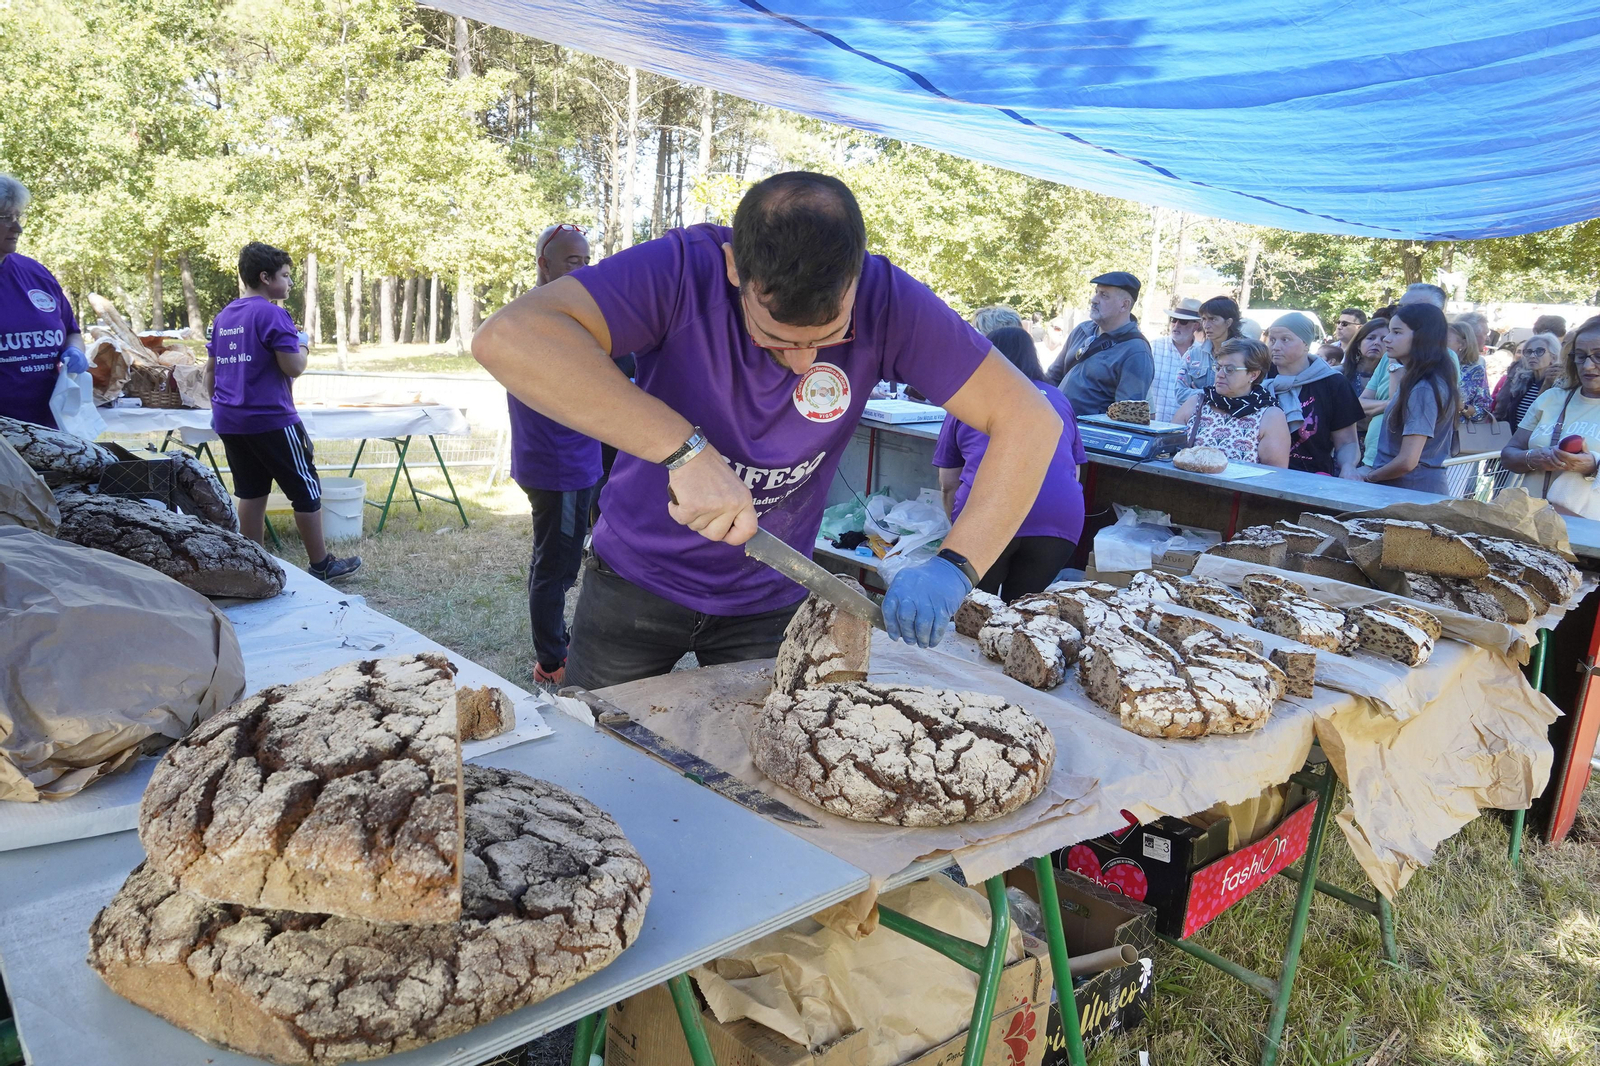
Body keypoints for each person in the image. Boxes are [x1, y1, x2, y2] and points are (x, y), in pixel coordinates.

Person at [473, 171, 1059, 686]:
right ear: (736, 267)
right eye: (777, 338)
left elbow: (1029, 421)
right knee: (596, 752)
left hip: (771, 596)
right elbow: (510, 337)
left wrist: (956, 566)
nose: (804, 362)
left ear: (855, 277)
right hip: (634, 581)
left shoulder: (888, 299)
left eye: (825, 340)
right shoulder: (684, 268)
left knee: (768, 774)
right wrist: (687, 453)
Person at [206, 242, 361, 580]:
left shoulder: (224, 316)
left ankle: (253, 566)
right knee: (306, 489)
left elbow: (211, 371)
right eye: (286, 276)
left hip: (231, 422)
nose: (290, 283)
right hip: (271, 419)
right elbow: (293, 367)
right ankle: (322, 565)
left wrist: (221, 408)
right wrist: (302, 344)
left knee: (251, 490)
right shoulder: (272, 313)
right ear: (265, 277)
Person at [508, 223, 604, 684]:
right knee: (557, 567)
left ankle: (557, 644)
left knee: (556, 558)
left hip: (575, 459)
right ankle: (552, 661)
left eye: (587, 261)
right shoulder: (537, 318)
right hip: (559, 465)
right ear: (543, 264)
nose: (582, 269)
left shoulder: (565, 311)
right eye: (573, 261)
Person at [934, 327, 1085, 599]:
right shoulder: (1059, 399)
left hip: (989, 515)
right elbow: (1074, 473)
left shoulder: (967, 398)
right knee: (1022, 613)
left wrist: (960, 530)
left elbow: (948, 483)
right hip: (1059, 522)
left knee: (975, 610)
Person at [0, 174, 87, 428]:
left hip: (51, 430)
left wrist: (75, 351)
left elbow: (72, 331)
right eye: (6, 219)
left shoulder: (36, 274)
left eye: (18, 217)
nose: (18, 228)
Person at [1350, 303, 1460, 494]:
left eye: (1397, 332)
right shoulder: (1418, 381)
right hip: (1405, 490)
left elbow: (1407, 461)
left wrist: (1368, 477)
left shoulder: (1423, 388)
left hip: (1411, 493)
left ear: (1422, 337)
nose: (1387, 339)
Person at [1500, 316, 1600, 518]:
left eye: (1599, 355)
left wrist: (1593, 465)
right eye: (1580, 356)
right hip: (1530, 524)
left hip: (1587, 535)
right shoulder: (1551, 398)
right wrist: (1533, 458)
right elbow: (1509, 454)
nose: (1587, 366)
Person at [1265, 312, 1362, 475]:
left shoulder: (1333, 383)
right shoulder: (1259, 377)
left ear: (1305, 344)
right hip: (1262, 475)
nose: (1276, 347)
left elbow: (1347, 442)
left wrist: (1348, 467)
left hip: (1312, 479)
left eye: (1285, 339)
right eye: (1272, 340)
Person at [1043, 272, 1152, 416]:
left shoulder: (1136, 351)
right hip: (1057, 426)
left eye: (1104, 295)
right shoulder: (1082, 331)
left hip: (1088, 435)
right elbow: (1052, 377)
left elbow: (1125, 418)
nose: (1094, 300)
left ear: (1124, 305)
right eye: (1096, 293)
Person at [1172, 338, 1290, 467]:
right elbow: (1168, 453)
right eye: (1218, 367)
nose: (1220, 374)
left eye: (1230, 369)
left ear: (1253, 375)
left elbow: (1274, 475)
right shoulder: (1196, 403)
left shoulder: (1270, 416)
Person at [1177, 295, 1244, 403]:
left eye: (1213, 319)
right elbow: (1180, 394)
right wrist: (1211, 394)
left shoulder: (1247, 353)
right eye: (1204, 319)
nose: (1206, 325)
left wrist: (1200, 394)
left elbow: (1247, 394)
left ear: (1228, 322)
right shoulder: (1193, 354)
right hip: (1198, 417)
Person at [1491, 332, 1562, 429]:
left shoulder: (1559, 385)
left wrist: (1547, 384)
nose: (1532, 356)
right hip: (1515, 438)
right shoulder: (1523, 381)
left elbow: (1540, 413)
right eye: (1528, 352)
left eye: (1539, 351)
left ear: (1553, 357)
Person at [1148, 298, 1202, 423]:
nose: (1176, 325)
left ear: (1195, 326)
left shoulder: (1203, 355)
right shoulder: (1153, 347)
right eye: (1173, 320)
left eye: (1183, 321)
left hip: (1186, 430)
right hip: (1154, 426)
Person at [1342, 317, 1388, 435]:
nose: (1377, 342)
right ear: (1358, 344)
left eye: (1384, 339)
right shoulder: (1339, 374)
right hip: (1344, 441)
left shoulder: (1391, 378)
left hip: (1377, 441)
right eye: (1371, 338)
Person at [1449, 318, 1493, 423]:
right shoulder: (1433, 366)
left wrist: (1462, 406)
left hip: (1459, 433)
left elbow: (1483, 411)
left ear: (1462, 345)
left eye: (1445, 340)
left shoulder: (1475, 371)